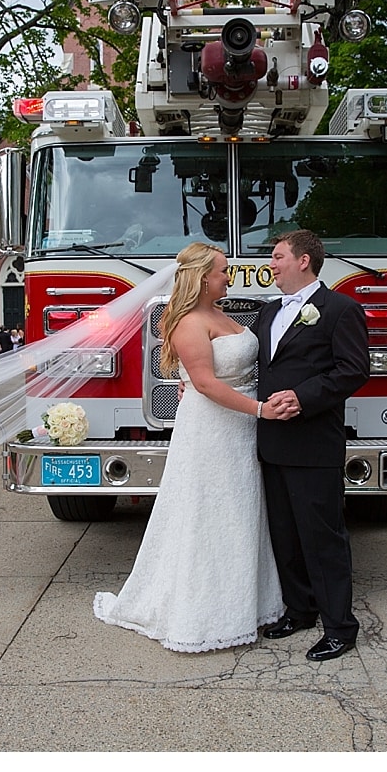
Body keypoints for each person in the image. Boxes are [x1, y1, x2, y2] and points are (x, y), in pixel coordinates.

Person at [95, 242, 285, 652]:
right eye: (222, 271)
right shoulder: (186, 321)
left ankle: (247, 603)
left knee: (242, 510)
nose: (228, 277)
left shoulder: (218, 314)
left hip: (239, 428)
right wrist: (260, 410)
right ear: (201, 277)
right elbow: (204, 382)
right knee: (211, 511)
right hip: (214, 430)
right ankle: (204, 612)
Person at [252, 229, 370, 662]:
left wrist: (304, 397)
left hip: (314, 444)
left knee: (323, 539)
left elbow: (354, 371)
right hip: (272, 443)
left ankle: (340, 627)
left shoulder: (341, 309)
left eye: (278, 256)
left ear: (304, 260)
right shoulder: (267, 313)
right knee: (284, 534)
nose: (272, 263)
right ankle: (299, 610)